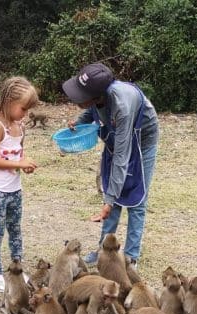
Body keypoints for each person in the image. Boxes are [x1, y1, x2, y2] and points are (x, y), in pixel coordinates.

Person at [63, 63, 159, 267]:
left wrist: (109, 200)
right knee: (111, 192)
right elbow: (93, 113)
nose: (76, 98)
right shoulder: (99, 98)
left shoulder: (122, 107)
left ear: (97, 96)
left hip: (142, 141)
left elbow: (122, 158)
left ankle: (131, 256)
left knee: (136, 198)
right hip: (118, 137)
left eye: (81, 95)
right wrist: (79, 122)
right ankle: (104, 251)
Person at [0, 76, 39, 292]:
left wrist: (23, 165)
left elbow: (16, 157)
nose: (25, 114)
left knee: (15, 230)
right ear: (8, 101)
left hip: (14, 189)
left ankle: (16, 268)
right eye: (23, 108)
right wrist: (18, 163)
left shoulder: (20, 127)